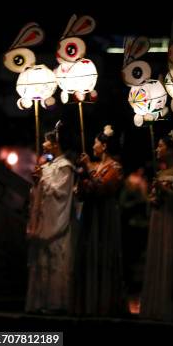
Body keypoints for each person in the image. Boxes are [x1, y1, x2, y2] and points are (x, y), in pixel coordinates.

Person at [73, 125, 125, 316]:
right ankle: (87, 302)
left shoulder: (115, 167)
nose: (92, 146)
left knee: (103, 254)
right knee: (88, 254)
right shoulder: (94, 166)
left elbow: (103, 188)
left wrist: (88, 170)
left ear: (104, 145)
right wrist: (81, 177)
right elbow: (80, 193)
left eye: (95, 142)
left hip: (105, 216)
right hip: (90, 215)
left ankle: (104, 303)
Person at [25, 121, 75, 314]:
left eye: (47, 141)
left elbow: (60, 193)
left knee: (55, 260)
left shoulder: (65, 167)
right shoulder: (48, 165)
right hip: (44, 220)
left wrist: (43, 181)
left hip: (55, 221)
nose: (44, 144)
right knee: (42, 261)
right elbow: (39, 191)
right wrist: (37, 183)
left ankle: (56, 302)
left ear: (56, 143)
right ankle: (40, 301)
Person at [140, 131, 173, 321]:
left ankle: (169, 305)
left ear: (170, 150)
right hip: (158, 219)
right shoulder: (160, 173)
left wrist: (164, 191)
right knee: (157, 257)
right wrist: (153, 198)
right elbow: (153, 199)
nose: (157, 149)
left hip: (172, 221)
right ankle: (155, 303)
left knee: (170, 258)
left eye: (161, 146)